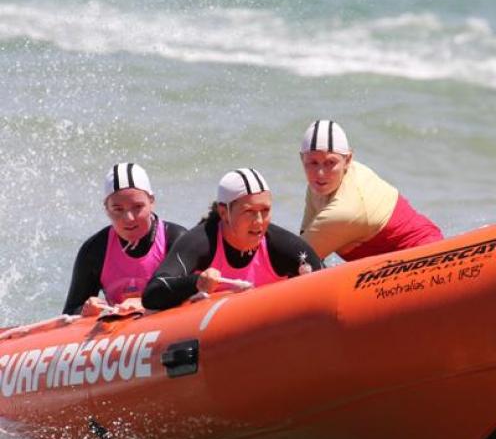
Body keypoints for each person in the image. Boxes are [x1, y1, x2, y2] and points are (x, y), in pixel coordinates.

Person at [142, 168, 322, 310]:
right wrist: (196, 283)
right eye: (249, 212)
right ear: (224, 213)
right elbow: (152, 293)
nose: (259, 221)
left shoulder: (282, 246)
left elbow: (328, 283)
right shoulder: (200, 243)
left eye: (265, 210)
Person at [299, 120, 443, 261]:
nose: (320, 173)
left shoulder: (345, 208)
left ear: (348, 160)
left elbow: (299, 258)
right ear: (302, 159)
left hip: (425, 257)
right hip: (393, 268)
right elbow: (303, 243)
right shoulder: (319, 186)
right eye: (312, 162)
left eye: (330, 162)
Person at [63, 162, 186, 315]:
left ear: (151, 202)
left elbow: (200, 293)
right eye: (118, 209)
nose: (129, 218)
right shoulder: (95, 250)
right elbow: (70, 313)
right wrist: (85, 312)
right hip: (123, 333)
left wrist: (144, 303)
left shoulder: (177, 240)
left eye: (137, 207)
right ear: (106, 209)